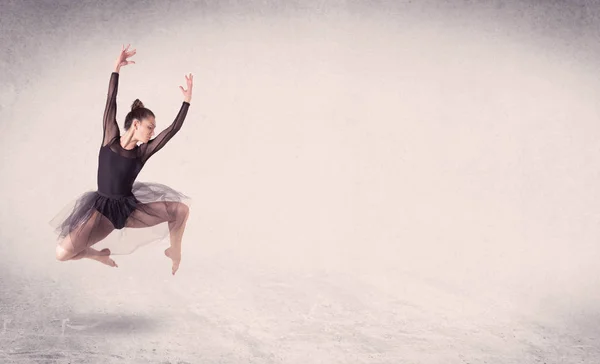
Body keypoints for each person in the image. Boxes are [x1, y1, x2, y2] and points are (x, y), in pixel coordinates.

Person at [50, 44, 193, 275]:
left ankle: (174, 251)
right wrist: (116, 68)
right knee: (62, 254)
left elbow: (171, 131)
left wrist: (186, 102)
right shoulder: (109, 139)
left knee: (181, 211)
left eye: (153, 128)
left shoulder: (141, 153)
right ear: (135, 124)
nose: (152, 132)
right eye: (149, 127)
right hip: (100, 212)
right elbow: (110, 100)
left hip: (128, 210)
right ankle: (96, 255)